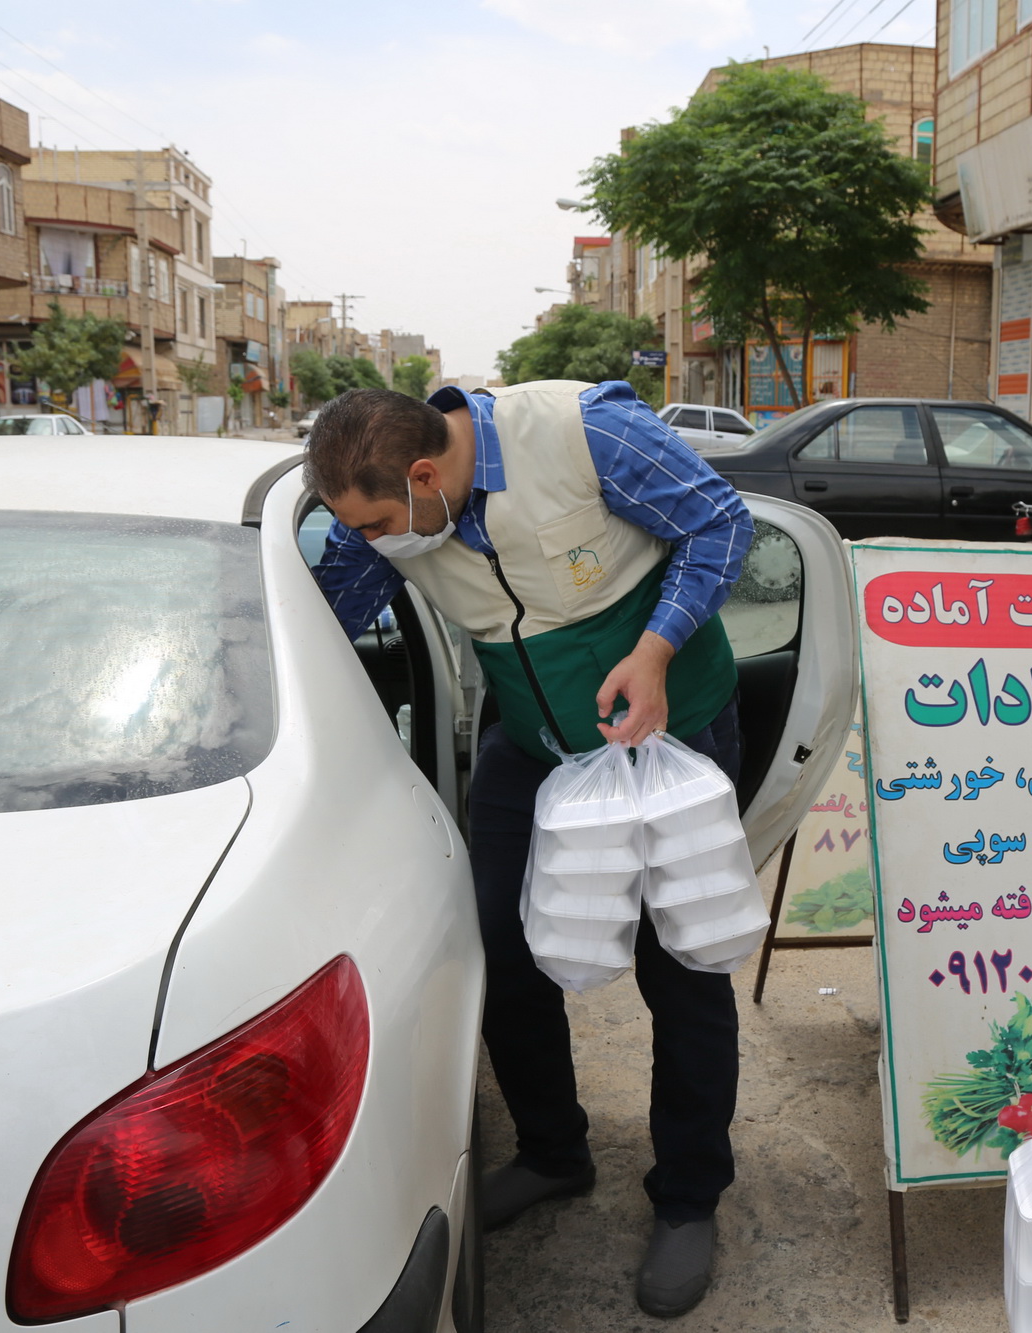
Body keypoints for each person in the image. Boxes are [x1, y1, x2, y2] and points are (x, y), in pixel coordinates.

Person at [305, 382, 751, 1317]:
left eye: (382, 523)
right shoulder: (386, 509)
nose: (374, 542)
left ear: (427, 475)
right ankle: (554, 1149)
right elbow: (321, 616)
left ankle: (688, 1195)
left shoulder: (583, 433)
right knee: (500, 949)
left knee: (681, 960)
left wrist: (659, 647)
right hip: (538, 746)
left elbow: (720, 521)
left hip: (670, 731)